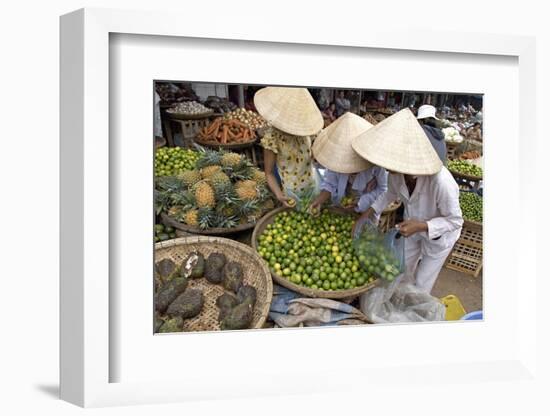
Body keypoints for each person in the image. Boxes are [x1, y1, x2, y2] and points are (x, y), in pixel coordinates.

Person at [351, 108, 463, 293]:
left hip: (439, 237)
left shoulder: (441, 182)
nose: (387, 169)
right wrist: (365, 215)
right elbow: (388, 195)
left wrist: (421, 226)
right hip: (412, 231)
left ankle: (412, 314)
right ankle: (397, 305)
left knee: (421, 283)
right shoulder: (396, 173)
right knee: (401, 270)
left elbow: (455, 220)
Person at [254, 86, 324, 208]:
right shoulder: (272, 137)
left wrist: (316, 155)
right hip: (290, 193)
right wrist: (279, 194)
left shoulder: (306, 130)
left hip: (312, 185)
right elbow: (269, 173)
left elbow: (316, 149)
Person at [309, 112, 388, 215]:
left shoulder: (375, 162)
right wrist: (319, 201)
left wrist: (361, 202)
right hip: (340, 209)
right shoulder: (336, 157)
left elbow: (383, 189)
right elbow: (330, 183)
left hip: (366, 211)